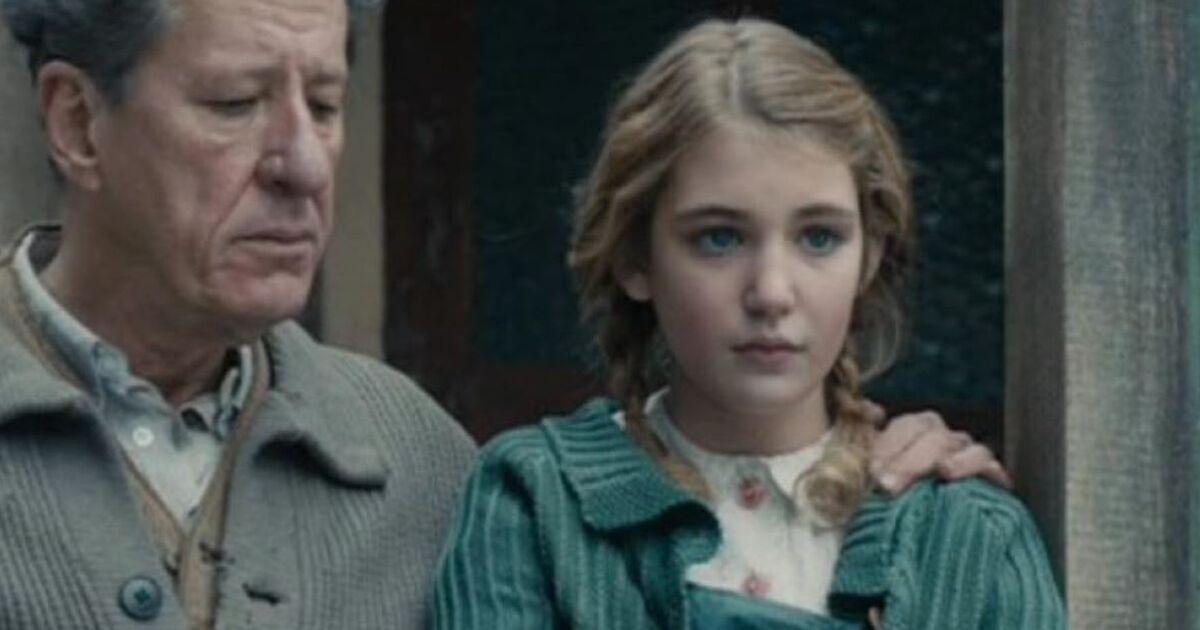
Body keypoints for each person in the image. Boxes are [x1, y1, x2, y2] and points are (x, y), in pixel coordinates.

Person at [431, 17, 1064, 629]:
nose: (771, 293)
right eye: (720, 238)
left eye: (819, 237)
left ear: (869, 256)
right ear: (635, 258)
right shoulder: (534, 502)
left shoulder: (968, 535)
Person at [0, 0, 477, 628]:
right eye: (235, 103)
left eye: (324, 106)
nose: (305, 166)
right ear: (78, 123)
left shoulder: (418, 461)